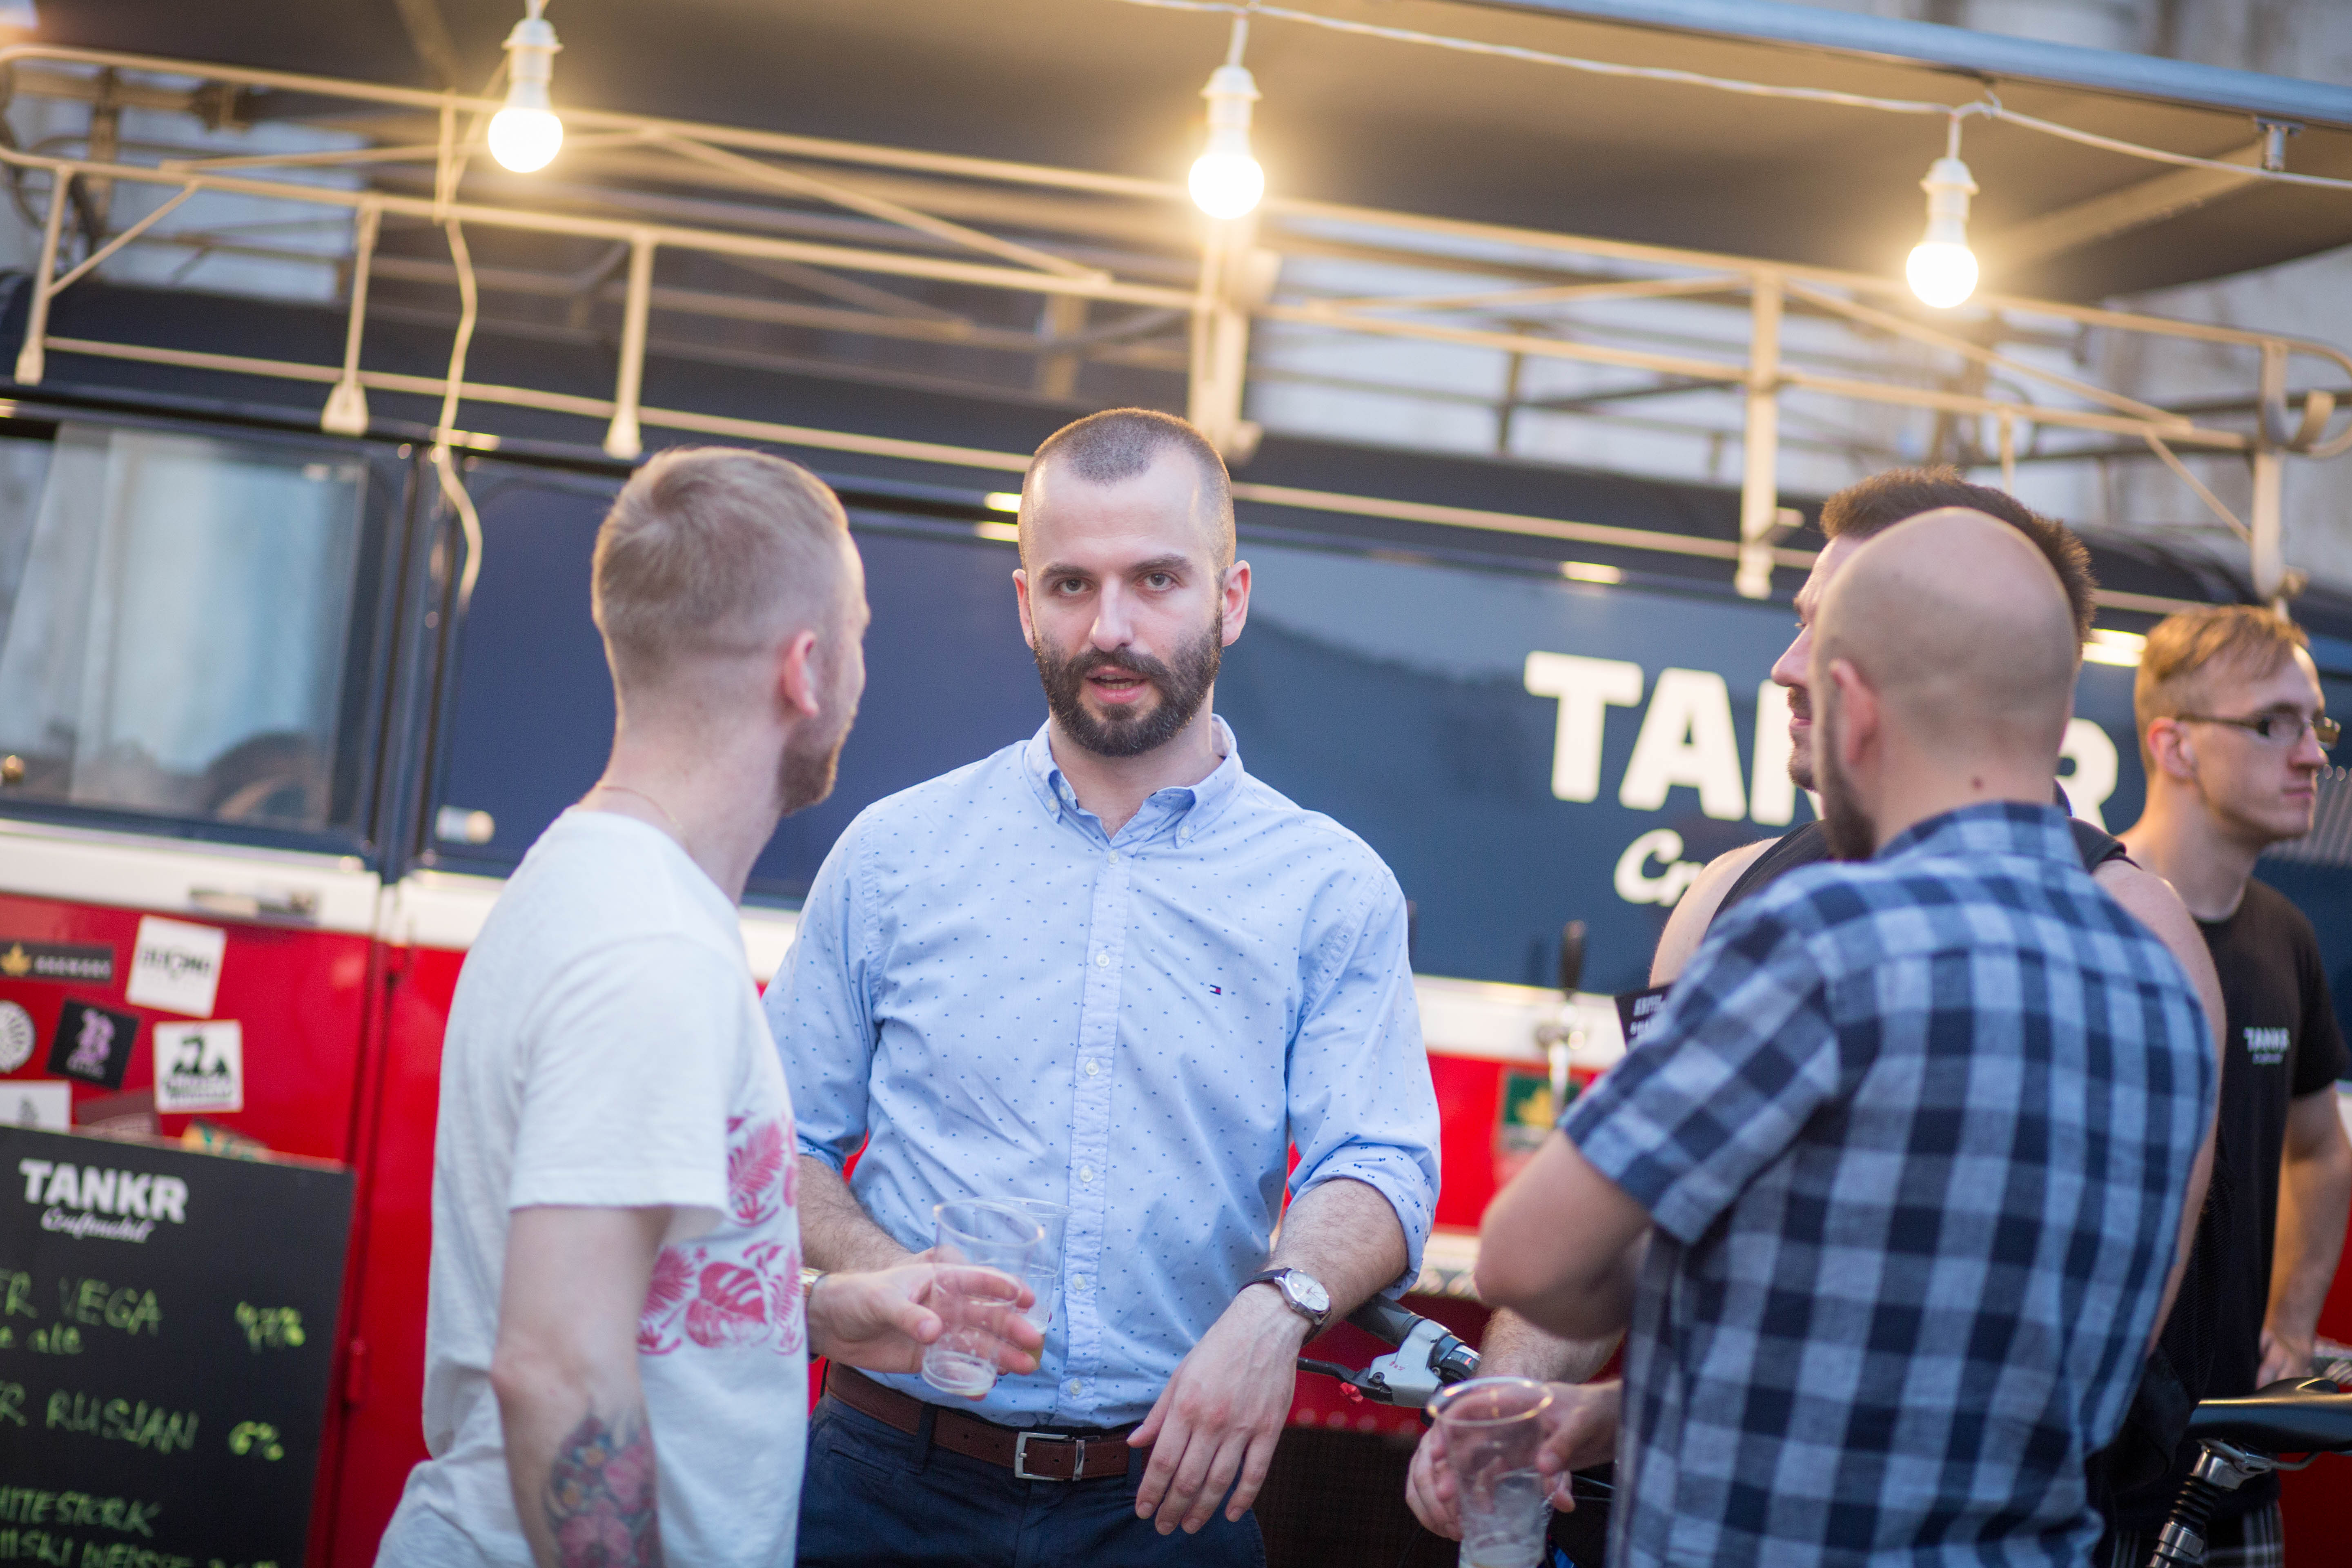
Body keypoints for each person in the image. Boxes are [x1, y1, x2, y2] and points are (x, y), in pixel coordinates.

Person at [1405, 468, 2225, 1553]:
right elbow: (2035, 1364)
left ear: (1863, 699)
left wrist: (1674, 1237)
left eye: (1822, 637)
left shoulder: (1818, 933)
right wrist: (1614, 1409)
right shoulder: (2160, 978)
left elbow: (1527, 1262)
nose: (1785, 667)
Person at [768, 406, 1441, 1565]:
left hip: (1165, 1506)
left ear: (1231, 598)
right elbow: (772, 1142)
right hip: (881, 1484)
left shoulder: (1330, 889)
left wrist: (1277, 1312)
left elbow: (1380, 1160)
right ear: (1025, 602)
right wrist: (893, 1279)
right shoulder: (894, 855)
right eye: (1072, 585)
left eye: (1157, 580)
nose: (1111, 628)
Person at [376, 448, 1038, 1568]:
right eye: (859, 635)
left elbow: (637, 1296)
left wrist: (822, 1313)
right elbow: (555, 1369)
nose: (863, 673)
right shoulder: (652, 948)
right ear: (807, 670)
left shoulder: (592, 884)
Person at [2098, 606, 2352, 1568]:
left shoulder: (2285, 935)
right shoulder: (2090, 918)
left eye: (2316, 724)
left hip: (2231, 1465)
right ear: (2173, 744)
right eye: (2273, 724)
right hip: (2089, 1470)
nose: (2313, 755)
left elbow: (2319, 1148)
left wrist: (2291, 1319)